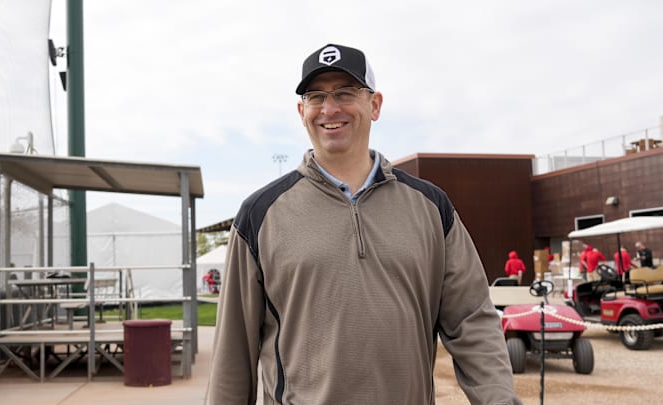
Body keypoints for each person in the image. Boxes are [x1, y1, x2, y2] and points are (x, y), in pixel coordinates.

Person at [208, 44, 521, 404]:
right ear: (301, 111)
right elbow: (233, 351)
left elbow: (472, 321)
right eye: (316, 97)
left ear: (375, 105)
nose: (329, 108)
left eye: (345, 93)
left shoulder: (432, 208)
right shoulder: (260, 214)